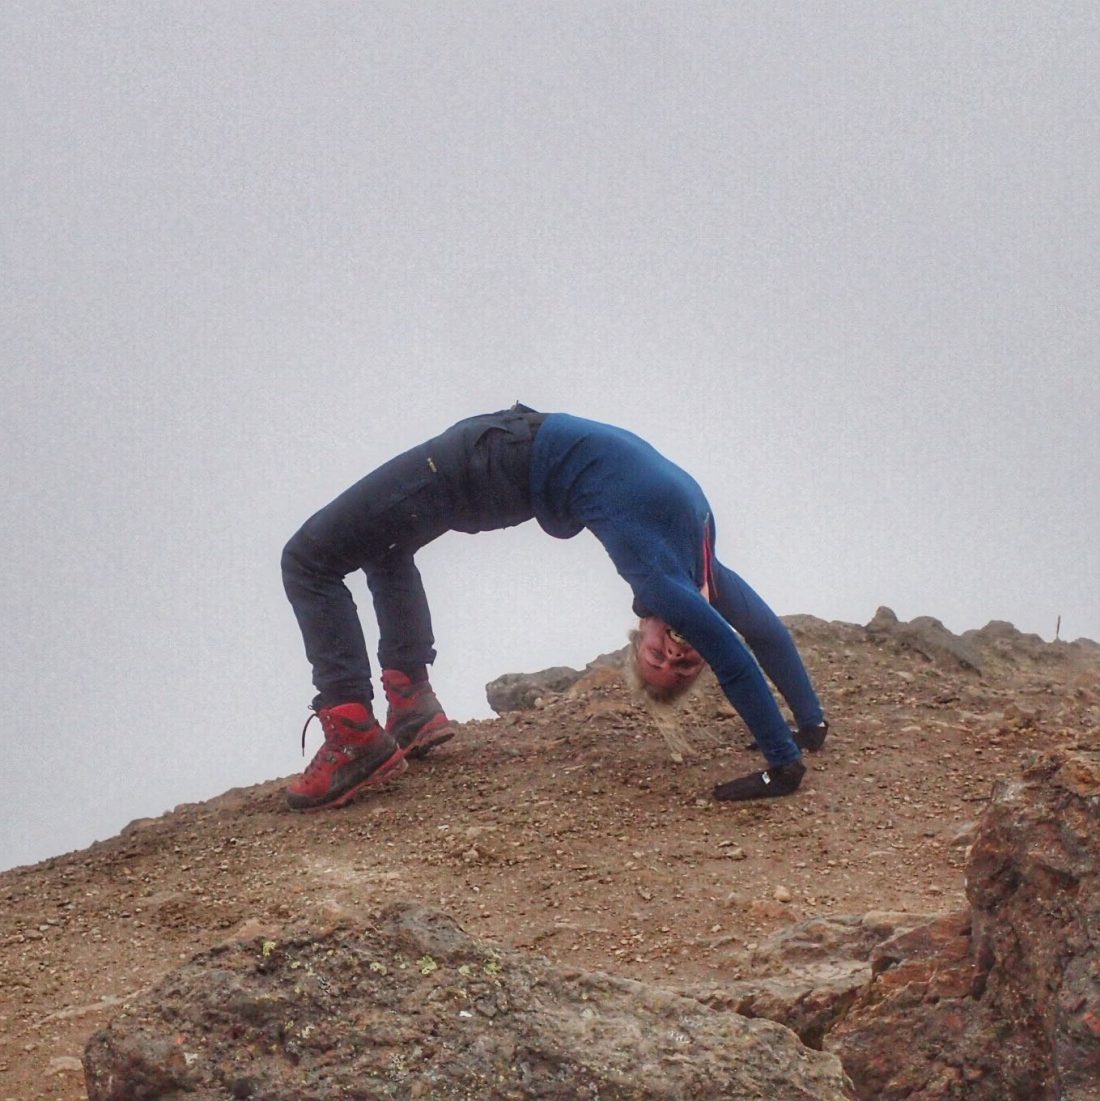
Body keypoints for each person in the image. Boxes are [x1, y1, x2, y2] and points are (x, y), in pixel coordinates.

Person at [281, 404, 829, 812]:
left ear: (642, 640)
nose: (671, 654)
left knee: (308, 559)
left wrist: (781, 767)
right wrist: (807, 726)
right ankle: (411, 703)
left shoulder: (666, 587)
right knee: (383, 541)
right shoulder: (699, 573)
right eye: (679, 664)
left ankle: (352, 732)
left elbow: (733, 654)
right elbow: (758, 634)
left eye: (658, 664)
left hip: (485, 464)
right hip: (502, 457)